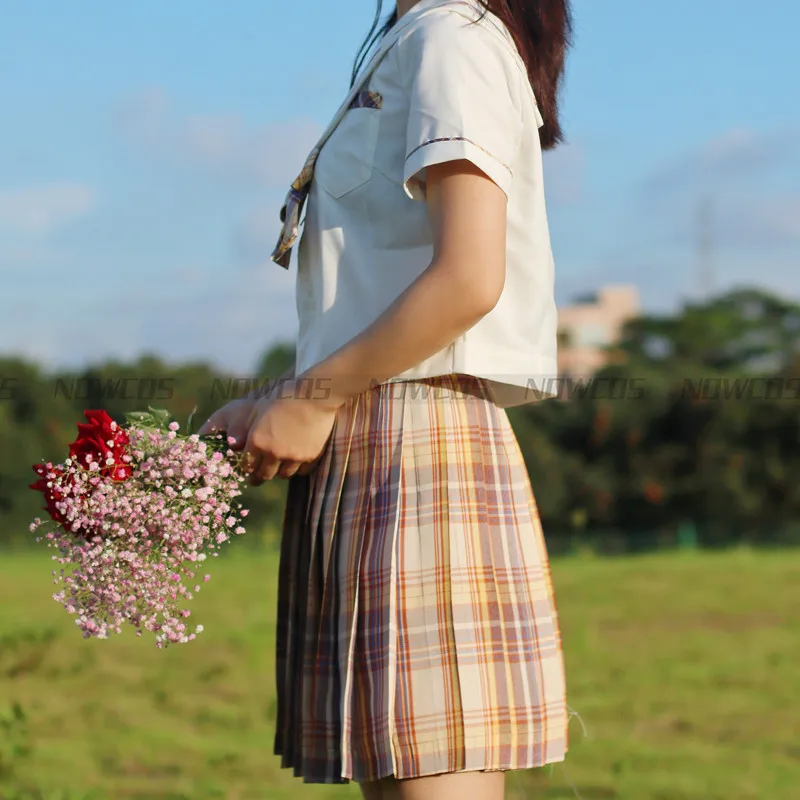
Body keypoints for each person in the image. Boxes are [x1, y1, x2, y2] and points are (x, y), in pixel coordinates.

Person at [200, 1, 573, 797]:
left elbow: (469, 277)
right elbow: (386, 283)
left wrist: (316, 397)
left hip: (419, 442)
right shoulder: (412, 40)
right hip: (377, 430)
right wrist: (284, 395)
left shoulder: (452, 37)